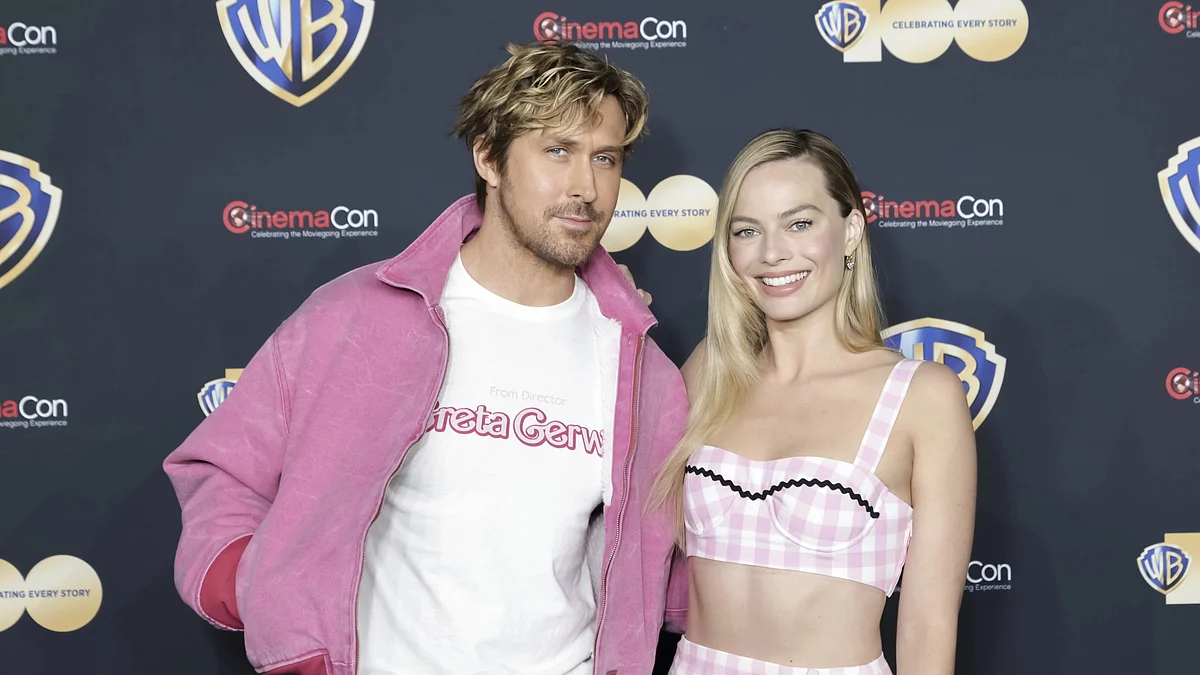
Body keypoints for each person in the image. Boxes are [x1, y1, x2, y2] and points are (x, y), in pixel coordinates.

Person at [163, 42, 688, 675]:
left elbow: (668, 564)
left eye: (604, 158)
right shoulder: (358, 316)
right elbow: (221, 470)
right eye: (557, 150)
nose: (585, 187)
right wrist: (270, 599)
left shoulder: (642, 371)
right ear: (489, 157)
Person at [647, 129, 977, 675]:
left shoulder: (921, 397)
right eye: (747, 230)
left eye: (799, 223)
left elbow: (927, 626)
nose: (773, 253)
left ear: (850, 232)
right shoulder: (711, 370)